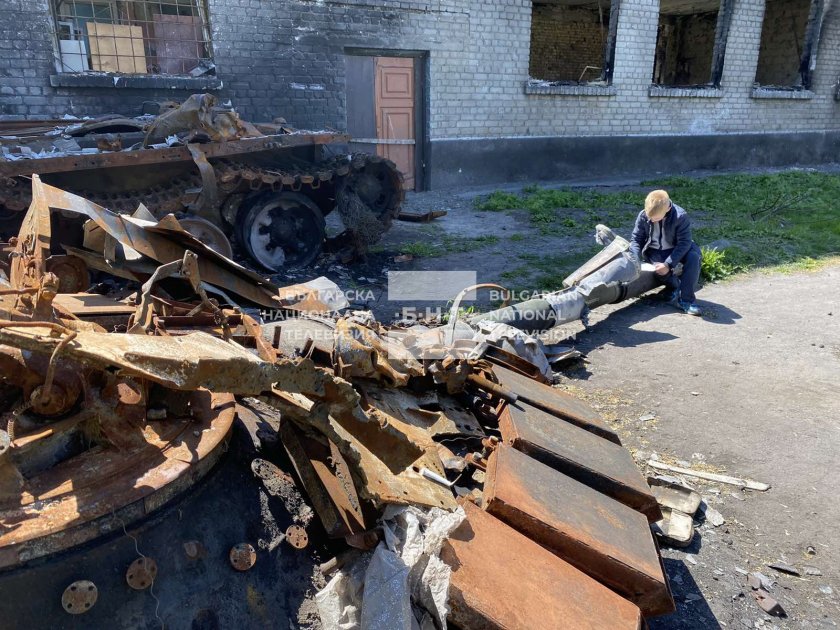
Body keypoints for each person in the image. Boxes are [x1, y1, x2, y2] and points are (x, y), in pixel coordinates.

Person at [629, 189, 702, 316]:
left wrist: (668, 264)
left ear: (667, 209)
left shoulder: (680, 216)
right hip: (656, 251)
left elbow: (684, 243)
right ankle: (674, 287)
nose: (651, 220)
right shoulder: (643, 215)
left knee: (693, 257)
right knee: (659, 270)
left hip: (677, 248)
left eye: (655, 218)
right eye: (649, 217)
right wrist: (634, 259)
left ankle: (686, 300)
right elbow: (636, 239)